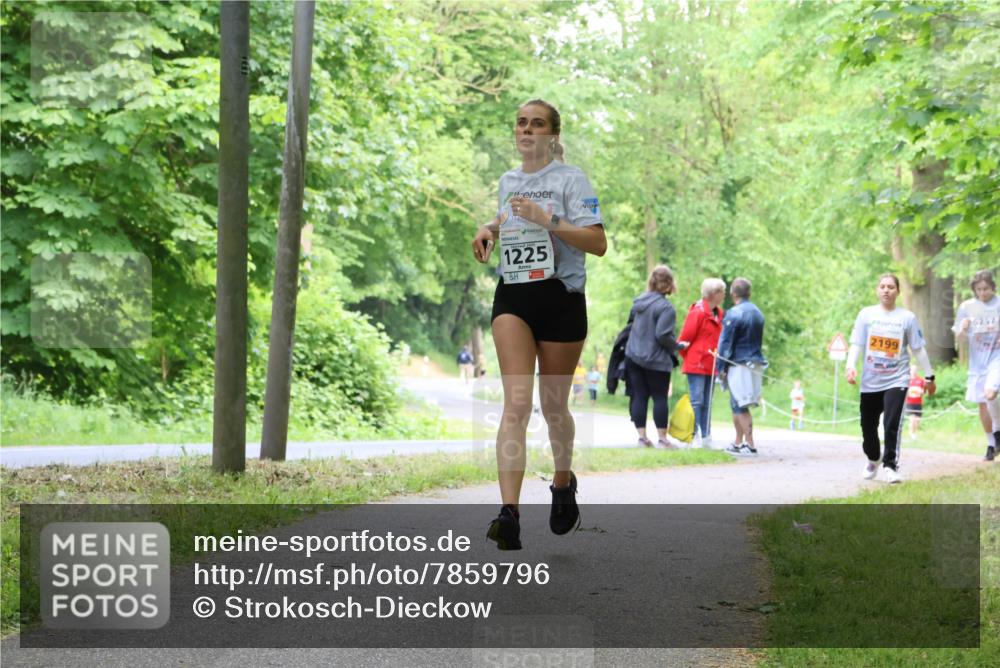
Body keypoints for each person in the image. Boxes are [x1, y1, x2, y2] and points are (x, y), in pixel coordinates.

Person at [471, 98, 607, 550]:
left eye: (537, 124)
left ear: (552, 135)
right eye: (521, 123)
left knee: (554, 407)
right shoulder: (509, 180)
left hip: (561, 297)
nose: (527, 130)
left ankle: (562, 484)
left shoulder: (573, 180)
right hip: (515, 295)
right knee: (516, 404)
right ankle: (508, 512)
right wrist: (490, 226)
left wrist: (549, 220)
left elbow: (597, 242)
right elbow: (511, 216)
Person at [846, 273, 935, 483]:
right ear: (878, 290)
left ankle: (890, 465)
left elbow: (918, 349)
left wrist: (929, 376)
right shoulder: (866, 315)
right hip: (870, 380)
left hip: (897, 379)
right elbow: (857, 344)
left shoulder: (907, 318)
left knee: (891, 423)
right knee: (868, 427)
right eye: (883, 286)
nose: (886, 290)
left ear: (897, 291)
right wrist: (850, 366)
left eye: (891, 287)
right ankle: (873, 458)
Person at [624, 265, 679, 449]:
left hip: (633, 356)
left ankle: (642, 438)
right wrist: (677, 346)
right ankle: (662, 439)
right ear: (670, 284)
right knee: (660, 398)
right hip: (656, 360)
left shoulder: (638, 302)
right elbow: (662, 335)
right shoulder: (666, 308)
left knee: (639, 396)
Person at [952, 269, 1000, 461]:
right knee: (982, 403)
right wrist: (962, 329)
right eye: (978, 289)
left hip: (996, 357)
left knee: (991, 393)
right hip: (977, 362)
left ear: (993, 287)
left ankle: (997, 431)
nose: (982, 293)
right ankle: (991, 444)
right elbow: (960, 338)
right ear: (973, 289)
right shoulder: (966, 307)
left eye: (986, 289)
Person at [716, 277, 766, 456]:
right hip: (755, 362)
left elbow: (725, 343)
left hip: (738, 364)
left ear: (733, 293)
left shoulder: (735, 313)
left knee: (740, 404)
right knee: (736, 403)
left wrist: (720, 367)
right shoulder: (758, 313)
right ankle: (738, 442)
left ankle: (750, 444)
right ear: (749, 293)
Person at [676, 277, 726, 446]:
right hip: (696, 364)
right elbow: (684, 341)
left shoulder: (719, 314)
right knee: (697, 401)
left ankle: (706, 437)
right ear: (714, 293)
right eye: (722, 292)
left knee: (707, 403)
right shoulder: (697, 312)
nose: (724, 295)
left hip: (711, 365)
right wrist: (693, 358)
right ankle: (692, 436)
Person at [904, 365, 925, 440]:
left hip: (918, 403)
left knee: (917, 421)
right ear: (910, 371)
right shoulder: (907, 380)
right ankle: (911, 433)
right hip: (910, 402)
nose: (913, 371)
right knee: (912, 419)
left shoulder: (921, 380)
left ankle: (914, 433)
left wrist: (921, 391)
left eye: (915, 370)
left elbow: (924, 391)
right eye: (912, 370)